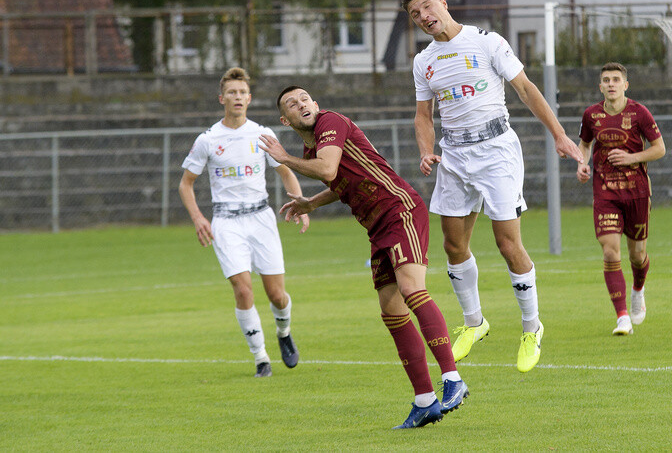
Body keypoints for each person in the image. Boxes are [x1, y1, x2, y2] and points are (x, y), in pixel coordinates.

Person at [258, 86, 467, 429]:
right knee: (392, 311)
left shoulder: (331, 121)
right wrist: (311, 203)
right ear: (286, 119)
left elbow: (327, 168)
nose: (301, 104)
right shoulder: (311, 145)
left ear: (316, 104)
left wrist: (284, 158)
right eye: (292, 105)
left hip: (399, 209)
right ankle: (425, 400)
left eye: (305, 98)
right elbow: (341, 181)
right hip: (377, 226)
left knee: (412, 290)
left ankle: (453, 378)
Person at [402, 0, 584, 373]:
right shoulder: (423, 62)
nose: (423, 17)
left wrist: (559, 135)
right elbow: (423, 116)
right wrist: (425, 150)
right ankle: (474, 322)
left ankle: (531, 327)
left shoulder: (486, 42)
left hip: (496, 150)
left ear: (443, 2)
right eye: (415, 15)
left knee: (507, 244)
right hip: (453, 154)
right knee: (453, 246)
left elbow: (525, 88)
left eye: (427, 7)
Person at [178, 67, 309, 378]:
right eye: (231, 93)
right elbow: (186, 183)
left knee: (277, 295)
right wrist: (198, 218)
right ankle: (261, 357)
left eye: (242, 93)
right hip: (226, 222)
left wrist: (301, 203)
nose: (237, 98)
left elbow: (287, 171)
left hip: (261, 218)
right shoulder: (208, 140)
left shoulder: (262, 134)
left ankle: (284, 332)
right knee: (242, 289)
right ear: (222, 98)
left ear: (249, 99)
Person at [576, 63, 666, 335]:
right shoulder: (591, 115)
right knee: (610, 250)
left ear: (625, 85)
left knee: (637, 255)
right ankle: (622, 316)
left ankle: (638, 288)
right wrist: (581, 164)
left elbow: (660, 149)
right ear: (600, 87)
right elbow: (585, 144)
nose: (611, 84)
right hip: (605, 192)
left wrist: (632, 158)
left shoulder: (639, 113)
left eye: (616, 79)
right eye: (606, 80)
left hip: (637, 191)